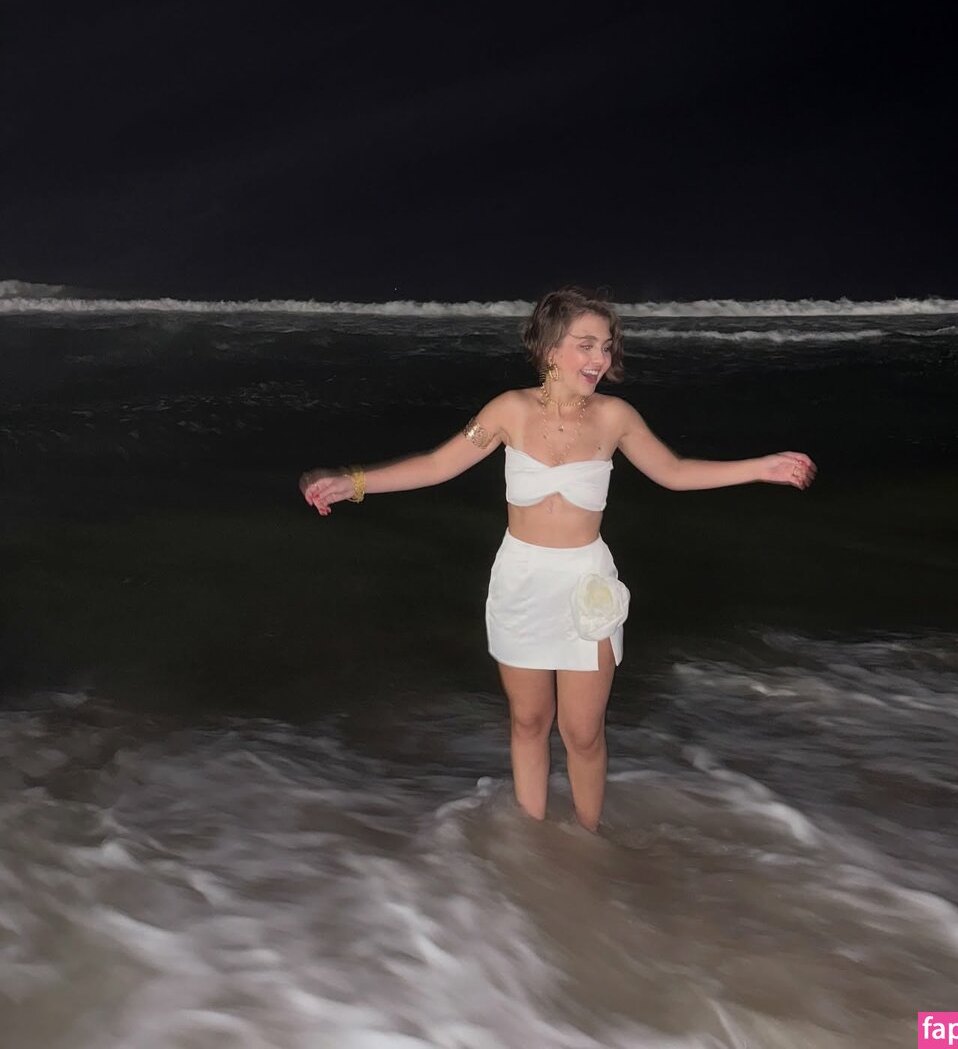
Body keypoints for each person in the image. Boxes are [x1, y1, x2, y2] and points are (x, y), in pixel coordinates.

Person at [299, 286, 815, 832]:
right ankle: (533, 843)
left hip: (585, 584)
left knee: (583, 733)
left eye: (606, 347)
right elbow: (436, 464)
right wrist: (353, 482)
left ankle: (588, 840)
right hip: (521, 580)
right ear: (550, 348)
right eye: (586, 345)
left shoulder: (615, 417)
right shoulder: (509, 410)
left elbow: (674, 471)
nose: (599, 359)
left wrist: (760, 468)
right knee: (528, 721)